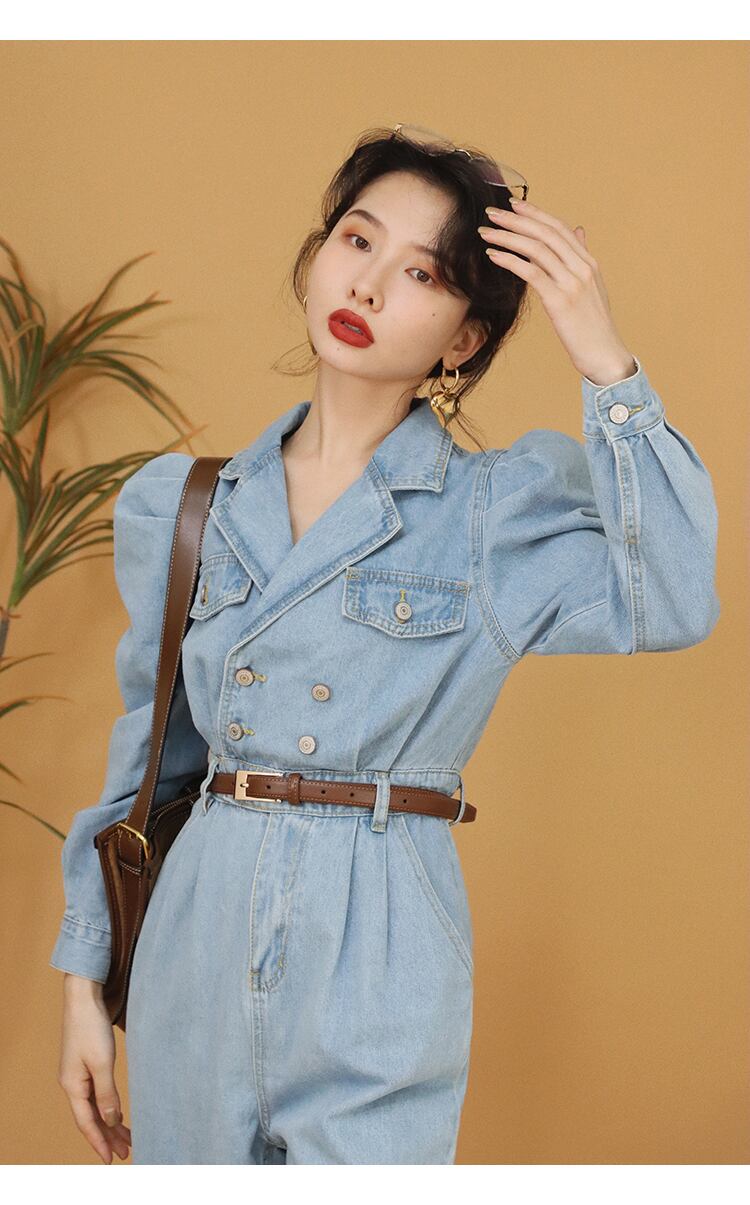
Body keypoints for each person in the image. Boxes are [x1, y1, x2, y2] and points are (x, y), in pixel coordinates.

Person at [49, 124, 721, 1166]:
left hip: (381, 936)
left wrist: (604, 358)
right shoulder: (187, 507)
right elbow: (150, 760)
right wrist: (85, 985)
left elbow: (672, 597)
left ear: (462, 338)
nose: (367, 284)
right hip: (197, 931)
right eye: (358, 241)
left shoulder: (494, 512)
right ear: (319, 255)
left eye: (421, 273)